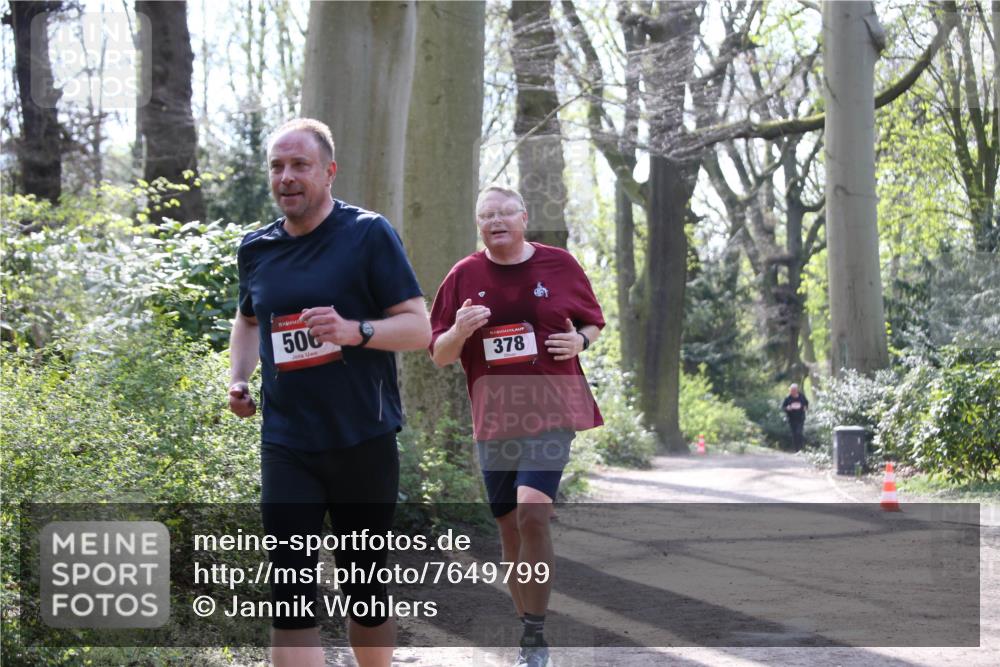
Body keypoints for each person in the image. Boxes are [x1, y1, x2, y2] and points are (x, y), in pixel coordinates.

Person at [227, 117, 430, 667]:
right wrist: (239, 379)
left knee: (364, 589)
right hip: (287, 440)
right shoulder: (257, 249)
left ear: (329, 172)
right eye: (277, 166)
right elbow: (247, 321)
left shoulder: (367, 234)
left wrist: (355, 331)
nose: (286, 177)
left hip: (362, 437)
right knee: (290, 594)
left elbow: (419, 328)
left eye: (300, 165)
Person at [428, 185, 605, 667]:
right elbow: (439, 353)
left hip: (550, 405)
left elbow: (591, 322)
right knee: (508, 527)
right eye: (487, 214)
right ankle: (525, 623)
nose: (497, 220)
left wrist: (580, 344)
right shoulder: (463, 276)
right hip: (495, 413)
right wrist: (460, 330)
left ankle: (536, 633)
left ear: (524, 218)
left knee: (532, 513)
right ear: (478, 224)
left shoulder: (560, 266)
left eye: (506, 212)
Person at [782, 383, 809, 452]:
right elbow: (783, 407)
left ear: (797, 390)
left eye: (794, 390)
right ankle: (796, 449)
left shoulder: (801, 397)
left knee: (799, 432)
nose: (793, 391)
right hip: (791, 419)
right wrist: (787, 408)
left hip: (800, 418)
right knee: (794, 434)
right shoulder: (788, 398)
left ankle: (801, 448)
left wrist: (805, 407)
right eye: (791, 390)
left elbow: (806, 403)